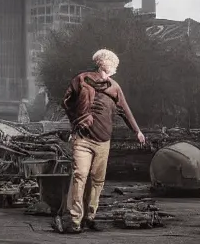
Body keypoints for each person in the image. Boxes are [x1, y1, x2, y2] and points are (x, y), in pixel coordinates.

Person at [57, 49, 146, 234]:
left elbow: (125, 110)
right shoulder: (81, 80)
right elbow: (66, 101)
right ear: (104, 63)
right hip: (83, 139)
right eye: (114, 64)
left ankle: (90, 217)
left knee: (97, 181)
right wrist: (77, 120)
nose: (115, 68)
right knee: (80, 176)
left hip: (103, 141)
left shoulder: (114, 87)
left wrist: (137, 131)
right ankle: (74, 220)